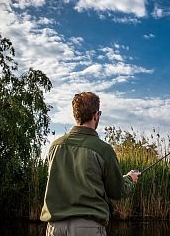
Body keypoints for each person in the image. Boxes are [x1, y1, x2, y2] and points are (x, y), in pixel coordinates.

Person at [40, 92, 141, 236]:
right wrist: (130, 178)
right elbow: (117, 191)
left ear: (76, 115)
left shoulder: (55, 146)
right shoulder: (103, 149)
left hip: (54, 228)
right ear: (96, 115)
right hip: (87, 228)